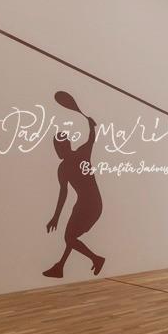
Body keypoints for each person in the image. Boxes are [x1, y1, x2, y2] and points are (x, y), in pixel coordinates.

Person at [44, 113, 105, 278]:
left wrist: (56, 217)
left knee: (69, 237)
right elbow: (91, 139)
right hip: (87, 204)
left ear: (66, 145)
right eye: (56, 147)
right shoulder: (73, 160)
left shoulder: (69, 163)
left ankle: (96, 259)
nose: (57, 150)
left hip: (89, 205)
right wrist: (91, 126)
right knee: (70, 236)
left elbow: (63, 194)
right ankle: (60, 267)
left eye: (58, 147)